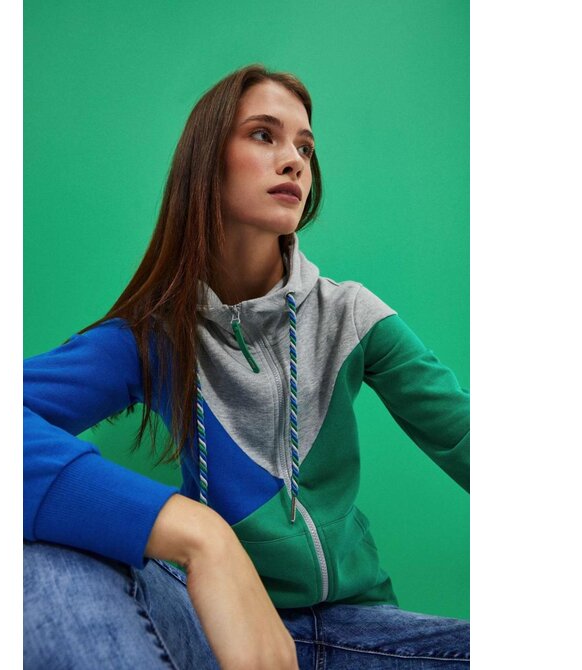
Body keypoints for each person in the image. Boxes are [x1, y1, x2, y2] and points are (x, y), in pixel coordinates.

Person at [24, 64, 470, 669]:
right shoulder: (151, 341)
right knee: (45, 561)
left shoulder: (351, 316)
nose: (294, 162)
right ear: (207, 161)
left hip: (360, 633)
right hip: (208, 622)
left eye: (304, 147)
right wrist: (199, 533)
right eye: (264, 135)